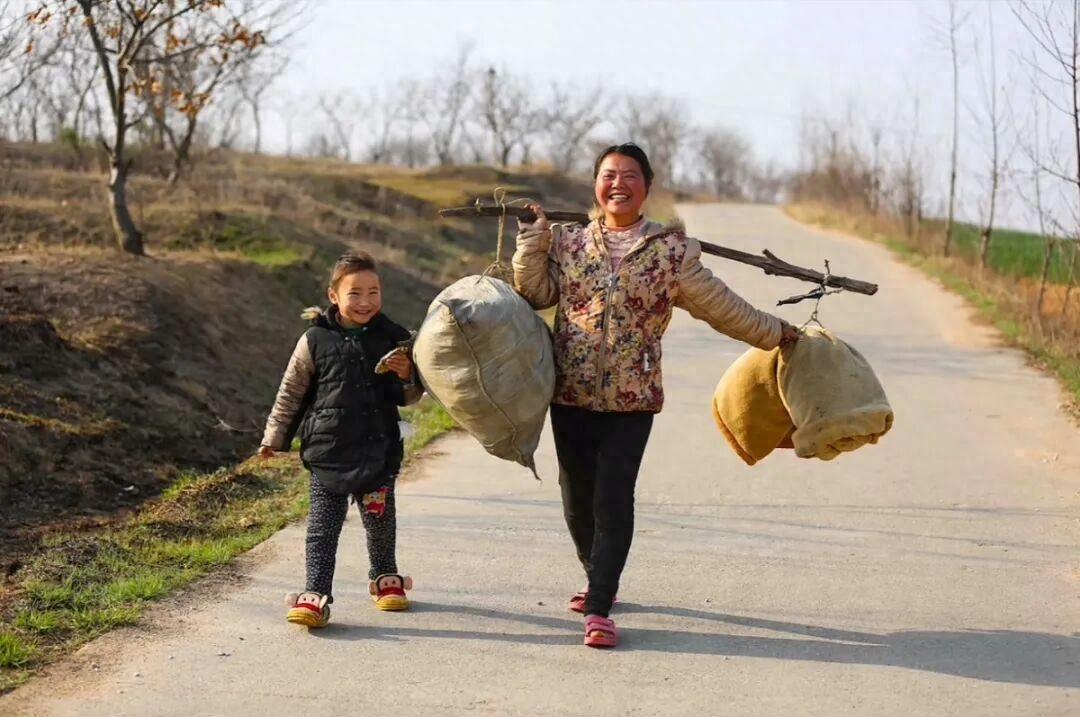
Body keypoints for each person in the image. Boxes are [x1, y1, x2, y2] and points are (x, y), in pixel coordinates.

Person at [512, 143, 798, 648]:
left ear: (647, 187)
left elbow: (723, 308)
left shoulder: (672, 252)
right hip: (570, 391)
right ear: (595, 186)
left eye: (629, 175)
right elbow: (536, 294)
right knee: (576, 499)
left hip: (634, 398)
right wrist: (532, 244)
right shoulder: (571, 242)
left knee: (613, 497)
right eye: (607, 175)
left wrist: (779, 333)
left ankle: (600, 604)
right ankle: (596, 571)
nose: (617, 183)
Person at [258, 252, 423, 628]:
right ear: (334, 296)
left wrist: (407, 374)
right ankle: (315, 594)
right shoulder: (314, 339)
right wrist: (274, 437)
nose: (365, 302)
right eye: (354, 293)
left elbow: (411, 396)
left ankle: (385, 577)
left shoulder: (396, 338)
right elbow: (291, 392)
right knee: (322, 528)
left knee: (380, 521)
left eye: (373, 292)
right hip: (327, 452)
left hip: (377, 449)